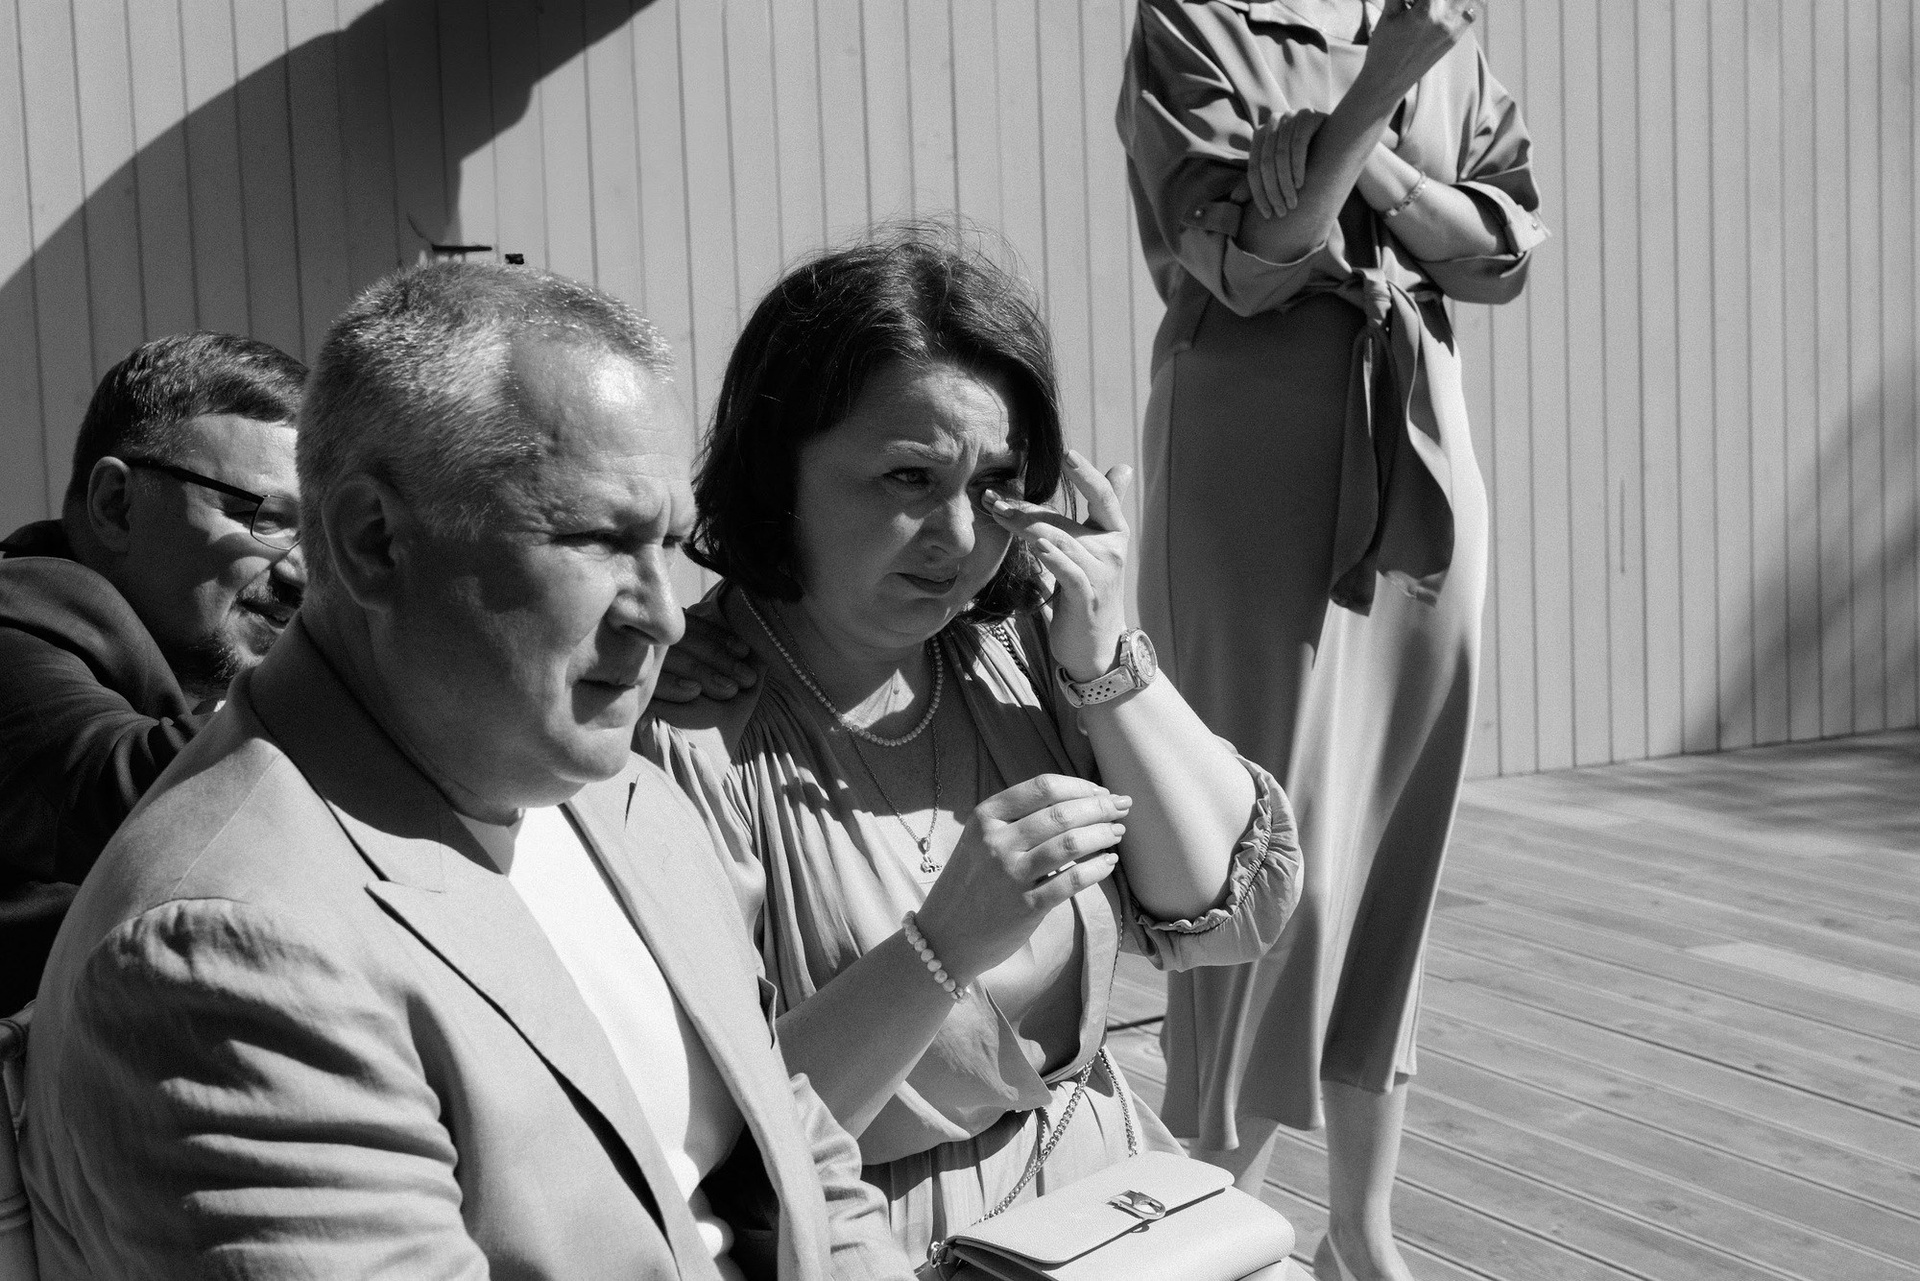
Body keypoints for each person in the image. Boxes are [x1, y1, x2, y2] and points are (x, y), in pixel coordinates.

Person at [22, 262, 914, 1281]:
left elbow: (802, 1160)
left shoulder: (627, 796)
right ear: (373, 542)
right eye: (597, 537)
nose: (664, 615)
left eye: (669, 542)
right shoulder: (229, 951)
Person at [639, 227, 1304, 1266]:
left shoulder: (1016, 651)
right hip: (866, 1240)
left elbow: (1224, 905)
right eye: (907, 478)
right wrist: (941, 947)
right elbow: (725, 1137)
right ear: (778, 473)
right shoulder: (694, 726)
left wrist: (1106, 660)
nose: (959, 539)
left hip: (1114, 1205)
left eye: (993, 482)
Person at [1117, 1, 1546, 1277]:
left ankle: (1361, 1232)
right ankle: (1212, 1226)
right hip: (1256, 468)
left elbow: (1501, 253)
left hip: (1423, 462)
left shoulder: (1436, 27)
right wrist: (1383, 89)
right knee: (1252, 844)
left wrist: (1371, 163)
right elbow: (1251, 259)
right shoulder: (1195, 22)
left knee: (1396, 844)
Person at [0, 332, 307, 1016]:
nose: (301, 574)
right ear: (117, 504)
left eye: (318, 535)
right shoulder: (16, 626)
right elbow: (134, 798)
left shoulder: (193, 682)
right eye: (265, 518)